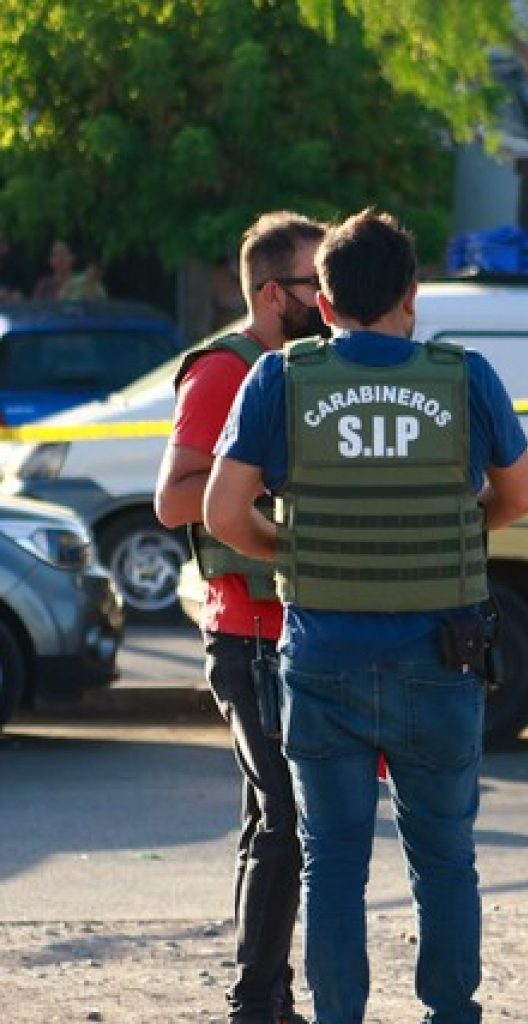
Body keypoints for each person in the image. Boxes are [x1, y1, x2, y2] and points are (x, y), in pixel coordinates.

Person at [203, 208, 528, 1024]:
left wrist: (294, 551)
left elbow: (220, 511)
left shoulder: (280, 378)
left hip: (322, 657)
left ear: (322, 301)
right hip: (441, 653)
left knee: (333, 863)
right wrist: (449, 529)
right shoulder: (466, 377)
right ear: (412, 297)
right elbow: (520, 496)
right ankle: (450, 1014)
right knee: (446, 859)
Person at [155, 210, 327, 1024]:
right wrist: (256, 491)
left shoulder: (309, 362)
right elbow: (173, 497)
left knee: (274, 820)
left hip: (296, 623)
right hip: (248, 627)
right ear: (271, 291)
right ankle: (257, 1000)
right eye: (313, 285)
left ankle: (264, 994)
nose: (328, 299)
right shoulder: (226, 370)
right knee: (287, 820)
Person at [32, 238, 106, 300]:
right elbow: (37, 311)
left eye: (63, 253)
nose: (60, 259)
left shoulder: (86, 281)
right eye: (55, 254)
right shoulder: (44, 285)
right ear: (50, 260)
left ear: (73, 258)